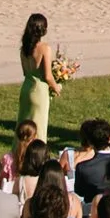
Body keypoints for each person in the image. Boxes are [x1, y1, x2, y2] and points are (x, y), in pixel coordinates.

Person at [17, 11, 67, 151]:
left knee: (22, 124)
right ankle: (37, 155)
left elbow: (25, 72)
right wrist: (56, 87)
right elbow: (47, 76)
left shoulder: (24, 49)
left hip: (26, 87)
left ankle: (19, 152)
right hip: (39, 90)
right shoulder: (44, 48)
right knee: (39, 126)